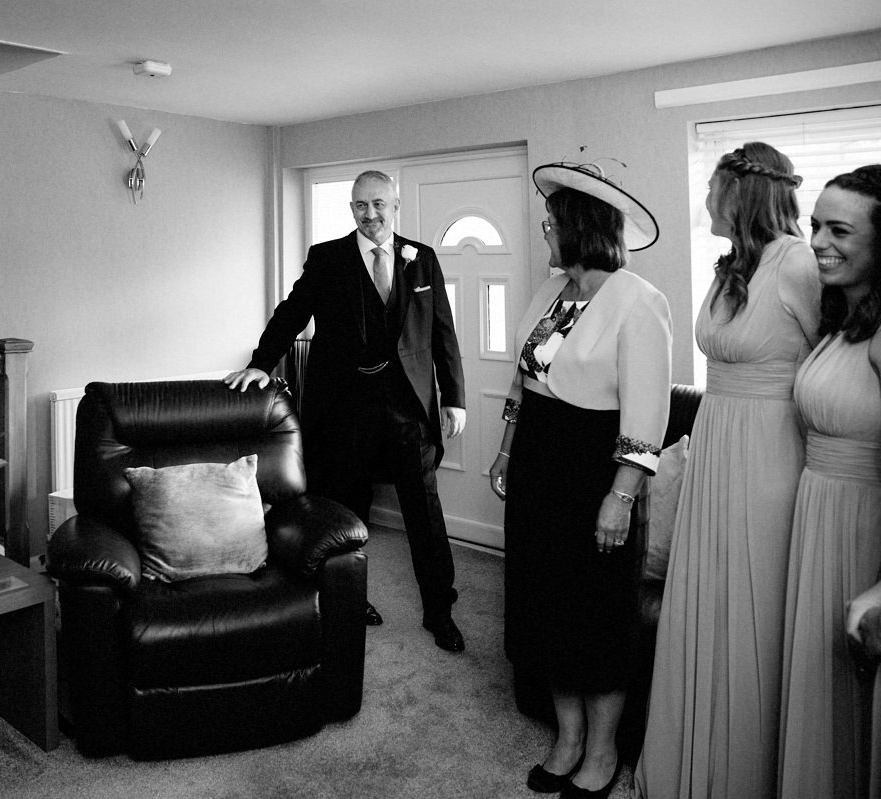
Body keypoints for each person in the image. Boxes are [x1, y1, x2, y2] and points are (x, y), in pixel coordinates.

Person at [635, 142, 821, 798]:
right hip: (714, 443)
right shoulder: (730, 267)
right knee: (706, 606)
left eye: (716, 189)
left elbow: (838, 366)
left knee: (755, 609)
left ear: (746, 194)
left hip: (768, 455)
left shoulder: (799, 265)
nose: (707, 201)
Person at [225, 169, 468, 652]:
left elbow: (443, 332)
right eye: (361, 205)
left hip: (408, 410)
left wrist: (455, 396)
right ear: (352, 209)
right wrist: (259, 364)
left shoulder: (423, 260)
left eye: (379, 204)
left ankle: (439, 609)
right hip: (345, 411)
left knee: (425, 514)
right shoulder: (328, 258)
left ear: (395, 206)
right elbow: (291, 313)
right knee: (345, 514)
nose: (370, 214)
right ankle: (349, 599)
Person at [491, 160, 671, 799]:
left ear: (582, 226)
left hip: (595, 470)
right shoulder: (548, 292)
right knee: (544, 606)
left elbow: (647, 414)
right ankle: (566, 739)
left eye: (553, 219)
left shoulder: (639, 301)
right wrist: (508, 451)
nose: (545, 226)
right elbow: (525, 380)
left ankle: (602, 752)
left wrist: (620, 496)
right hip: (539, 463)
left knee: (595, 615)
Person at [778, 164, 881, 799]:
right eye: (815, 224)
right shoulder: (844, 317)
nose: (818, 241)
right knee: (819, 689)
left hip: (859, 526)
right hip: (817, 513)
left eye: (839, 229)